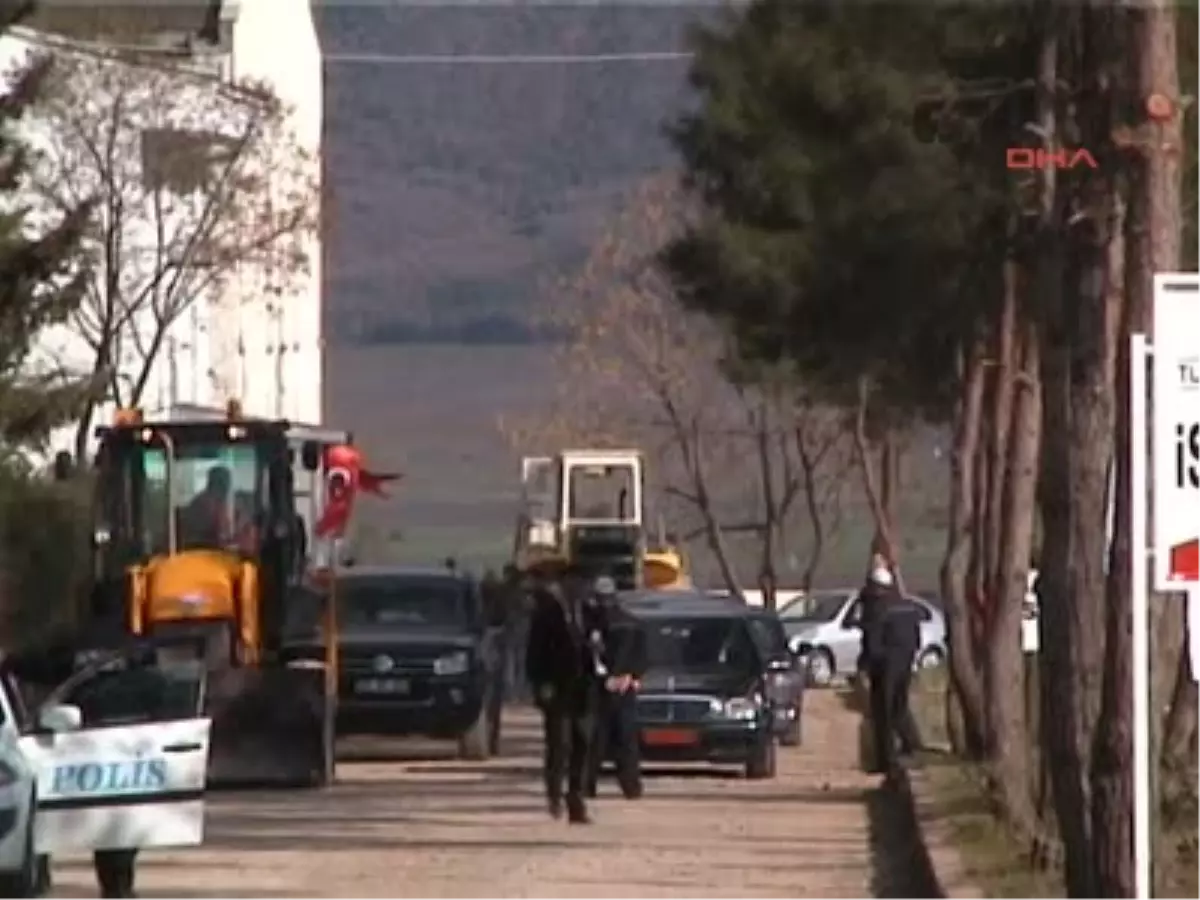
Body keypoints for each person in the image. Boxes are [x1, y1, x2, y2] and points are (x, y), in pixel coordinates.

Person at [525, 561, 601, 824]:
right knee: (560, 746)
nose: (582, 588)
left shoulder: (592, 611)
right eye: (578, 583)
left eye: (586, 584)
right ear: (567, 583)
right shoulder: (548, 612)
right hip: (558, 689)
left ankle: (576, 798)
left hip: (585, 690)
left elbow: (608, 642)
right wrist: (539, 684)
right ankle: (555, 795)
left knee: (583, 745)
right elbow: (534, 652)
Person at [859, 564, 924, 779]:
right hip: (905, 662)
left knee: (883, 711)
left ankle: (885, 759)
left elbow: (873, 641)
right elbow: (916, 639)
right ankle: (911, 744)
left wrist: (868, 665)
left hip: (885, 666)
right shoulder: (906, 607)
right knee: (899, 705)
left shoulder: (878, 608)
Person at [585, 575, 646, 800]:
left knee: (596, 740)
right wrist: (633, 676)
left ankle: (587, 785)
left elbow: (589, 657)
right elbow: (642, 654)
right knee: (624, 741)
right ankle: (631, 787)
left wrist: (619, 677)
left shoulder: (592, 626)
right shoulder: (632, 622)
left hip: (605, 689)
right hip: (620, 688)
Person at [180, 466, 232, 548]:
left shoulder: (220, 502)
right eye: (224, 482)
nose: (227, 487)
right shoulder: (204, 502)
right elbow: (218, 530)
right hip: (200, 549)